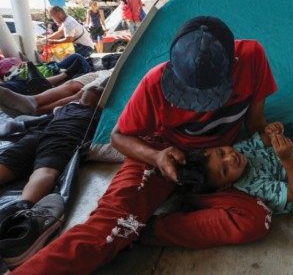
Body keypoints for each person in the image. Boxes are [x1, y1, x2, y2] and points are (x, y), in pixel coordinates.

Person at [11, 16, 277, 275]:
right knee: (108, 228)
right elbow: (118, 137)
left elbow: (255, 122)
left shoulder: (252, 57)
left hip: (212, 168)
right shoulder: (154, 83)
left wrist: (277, 147)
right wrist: (156, 157)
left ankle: (148, 230)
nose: (202, 106)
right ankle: (127, 228)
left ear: (233, 63)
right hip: (163, 155)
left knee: (257, 218)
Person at [0, 87, 102, 268]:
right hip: (63, 137)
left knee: (10, 164)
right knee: (44, 172)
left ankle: (21, 213)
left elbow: (54, 111)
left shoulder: (65, 108)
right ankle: (22, 216)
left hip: (40, 134)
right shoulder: (98, 114)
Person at [0, 68, 112, 116]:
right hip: (105, 71)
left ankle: (35, 111)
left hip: (116, 74)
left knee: (87, 94)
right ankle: (32, 101)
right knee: (71, 84)